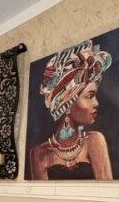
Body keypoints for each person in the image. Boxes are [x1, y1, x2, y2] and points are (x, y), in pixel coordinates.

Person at [29, 39, 113, 179]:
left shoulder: (94, 141)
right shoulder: (39, 153)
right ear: (68, 103)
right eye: (90, 96)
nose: (96, 103)